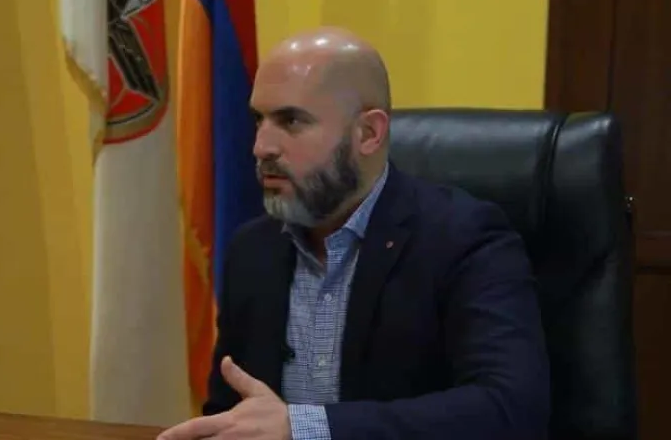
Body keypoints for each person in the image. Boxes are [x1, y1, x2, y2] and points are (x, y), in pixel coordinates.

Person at [159, 26, 549, 440]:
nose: (261, 146)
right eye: (259, 119)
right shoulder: (253, 250)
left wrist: (305, 428)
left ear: (368, 134)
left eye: (291, 121)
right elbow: (231, 415)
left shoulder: (463, 239)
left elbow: (510, 409)